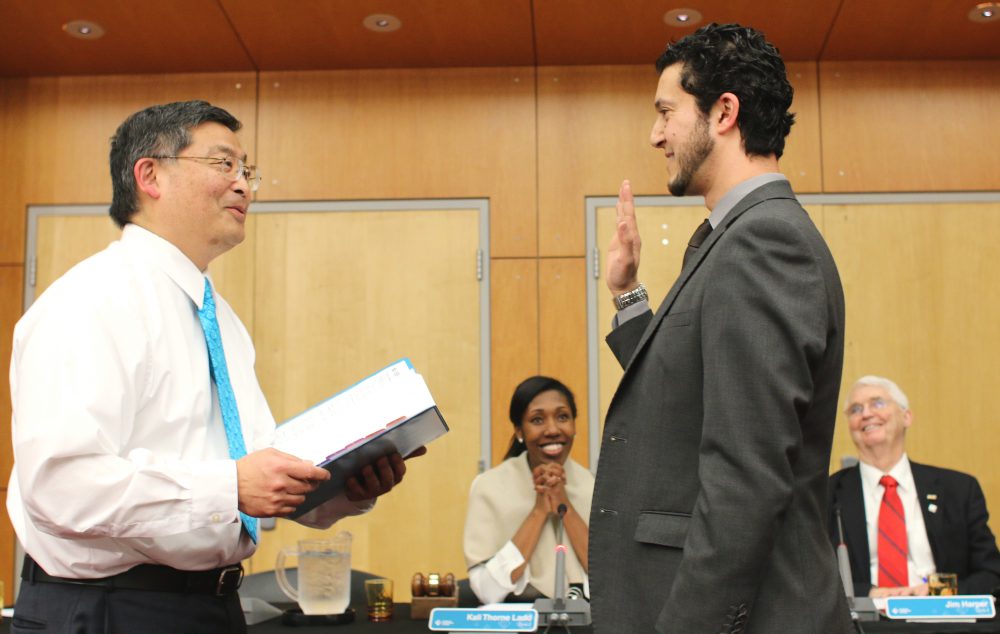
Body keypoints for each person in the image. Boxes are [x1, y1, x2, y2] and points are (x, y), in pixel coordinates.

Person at [6, 100, 416, 634]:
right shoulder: (90, 300)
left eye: (247, 171)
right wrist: (229, 487)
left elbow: (252, 476)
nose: (245, 186)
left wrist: (339, 488)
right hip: (107, 609)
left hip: (212, 603)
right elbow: (61, 486)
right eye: (224, 165)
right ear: (149, 174)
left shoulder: (219, 317)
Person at [589, 23, 852, 633]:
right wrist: (628, 295)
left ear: (724, 112)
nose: (655, 134)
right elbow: (693, 393)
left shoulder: (764, 241)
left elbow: (746, 479)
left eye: (666, 112)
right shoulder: (738, 239)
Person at [829, 375, 1000, 598]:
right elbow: (814, 576)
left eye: (877, 403)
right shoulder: (828, 494)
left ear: (906, 416)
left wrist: (937, 592)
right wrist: (869, 594)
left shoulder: (959, 490)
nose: (866, 413)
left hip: (942, 621)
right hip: (865, 625)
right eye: (855, 409)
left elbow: (990, 573)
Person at [463, 376, 594, 604]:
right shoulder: (488, 487)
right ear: (519, 431)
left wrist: (564, 505)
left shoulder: (595, 486)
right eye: (537, 420)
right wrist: (540, 510)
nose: (553, 429)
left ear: (574, 425)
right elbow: (487, 592)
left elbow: (611, 582)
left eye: (563, 417)